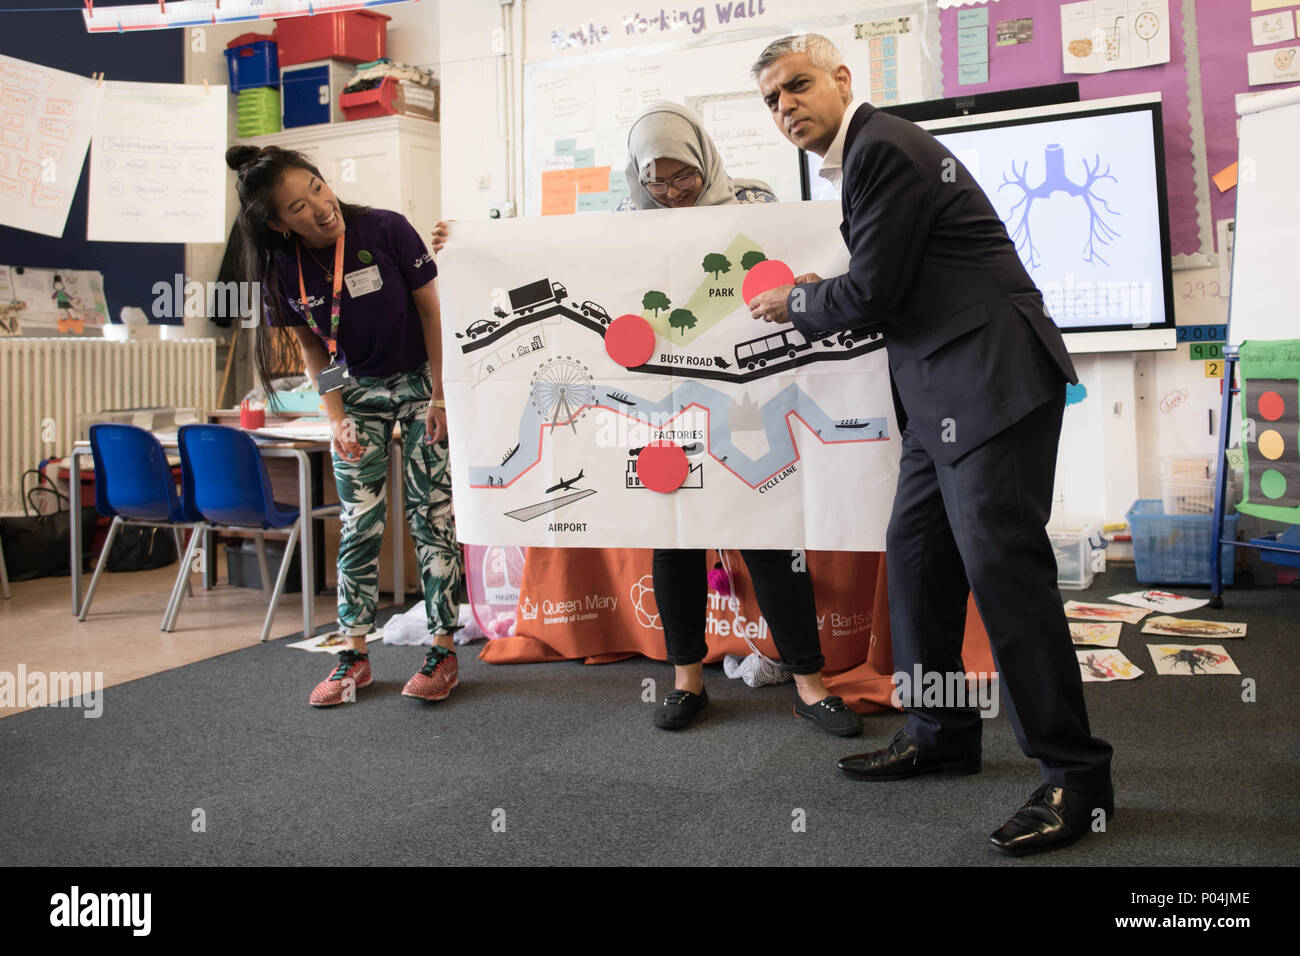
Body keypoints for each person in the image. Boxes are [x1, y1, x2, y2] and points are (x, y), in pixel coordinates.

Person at [747, 35, 1114, 856]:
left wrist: (796, 307)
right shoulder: (867, 158)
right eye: (771, 100)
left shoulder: (883, 148)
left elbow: (872, 291)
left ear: (843, 79)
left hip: (990, 383)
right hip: (940, 396)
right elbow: (896, 279)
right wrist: (824, 292)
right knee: (916, 561)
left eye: (797, 86)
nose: (786, 107)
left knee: (1003, 575)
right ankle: (943, 728)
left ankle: (1076, 776)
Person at [431, 102, 862, 737]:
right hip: (663, 411)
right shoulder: (625, 223)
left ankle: (809, 683)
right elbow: (556, 265)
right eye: (655, 179)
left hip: (742, 396)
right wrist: (465, 246)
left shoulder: (754, 200)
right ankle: (686, 679)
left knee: (773, 537)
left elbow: (798, 261)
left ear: (703, 159)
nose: (669, 191)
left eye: (682, 175)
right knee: (674, 538)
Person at [226, 145, 463, 708]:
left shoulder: (384, 229)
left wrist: (441, 396)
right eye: (297, 206)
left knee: (432, 515)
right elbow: (315, 343)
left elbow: (433, 312)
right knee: (360, 523)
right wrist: (335, 418)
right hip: (354, 392)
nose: (319, 206)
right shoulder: (281, 270)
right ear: (278, 224)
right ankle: (353, 656)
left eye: (316, 186)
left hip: (419, 386)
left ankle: (443, 648)